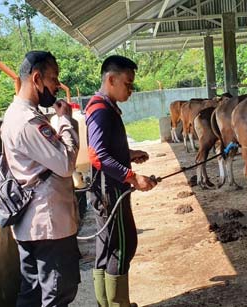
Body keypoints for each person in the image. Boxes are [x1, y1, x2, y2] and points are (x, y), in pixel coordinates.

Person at [0, 50, 81, 307]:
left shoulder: (16, 115)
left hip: (33, 224)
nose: (57, 86)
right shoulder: (28, 121)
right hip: (49, 225)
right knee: (57, 294)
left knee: (32, 295)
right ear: (36, 78)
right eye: (54, 79)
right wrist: (66, 121)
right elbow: (66, 164)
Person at [86, 55, 157, 307]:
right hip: (110, 192)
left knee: (107, 248)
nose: (130, 89)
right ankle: (119, 304)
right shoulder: (101, 111)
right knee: (122, 247)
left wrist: (129, 155)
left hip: (105, 191)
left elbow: (105, 149)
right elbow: (97, 155)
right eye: (127, 83)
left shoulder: (104, 107)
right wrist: (132, 177)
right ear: (111, 79)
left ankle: (107, 304)